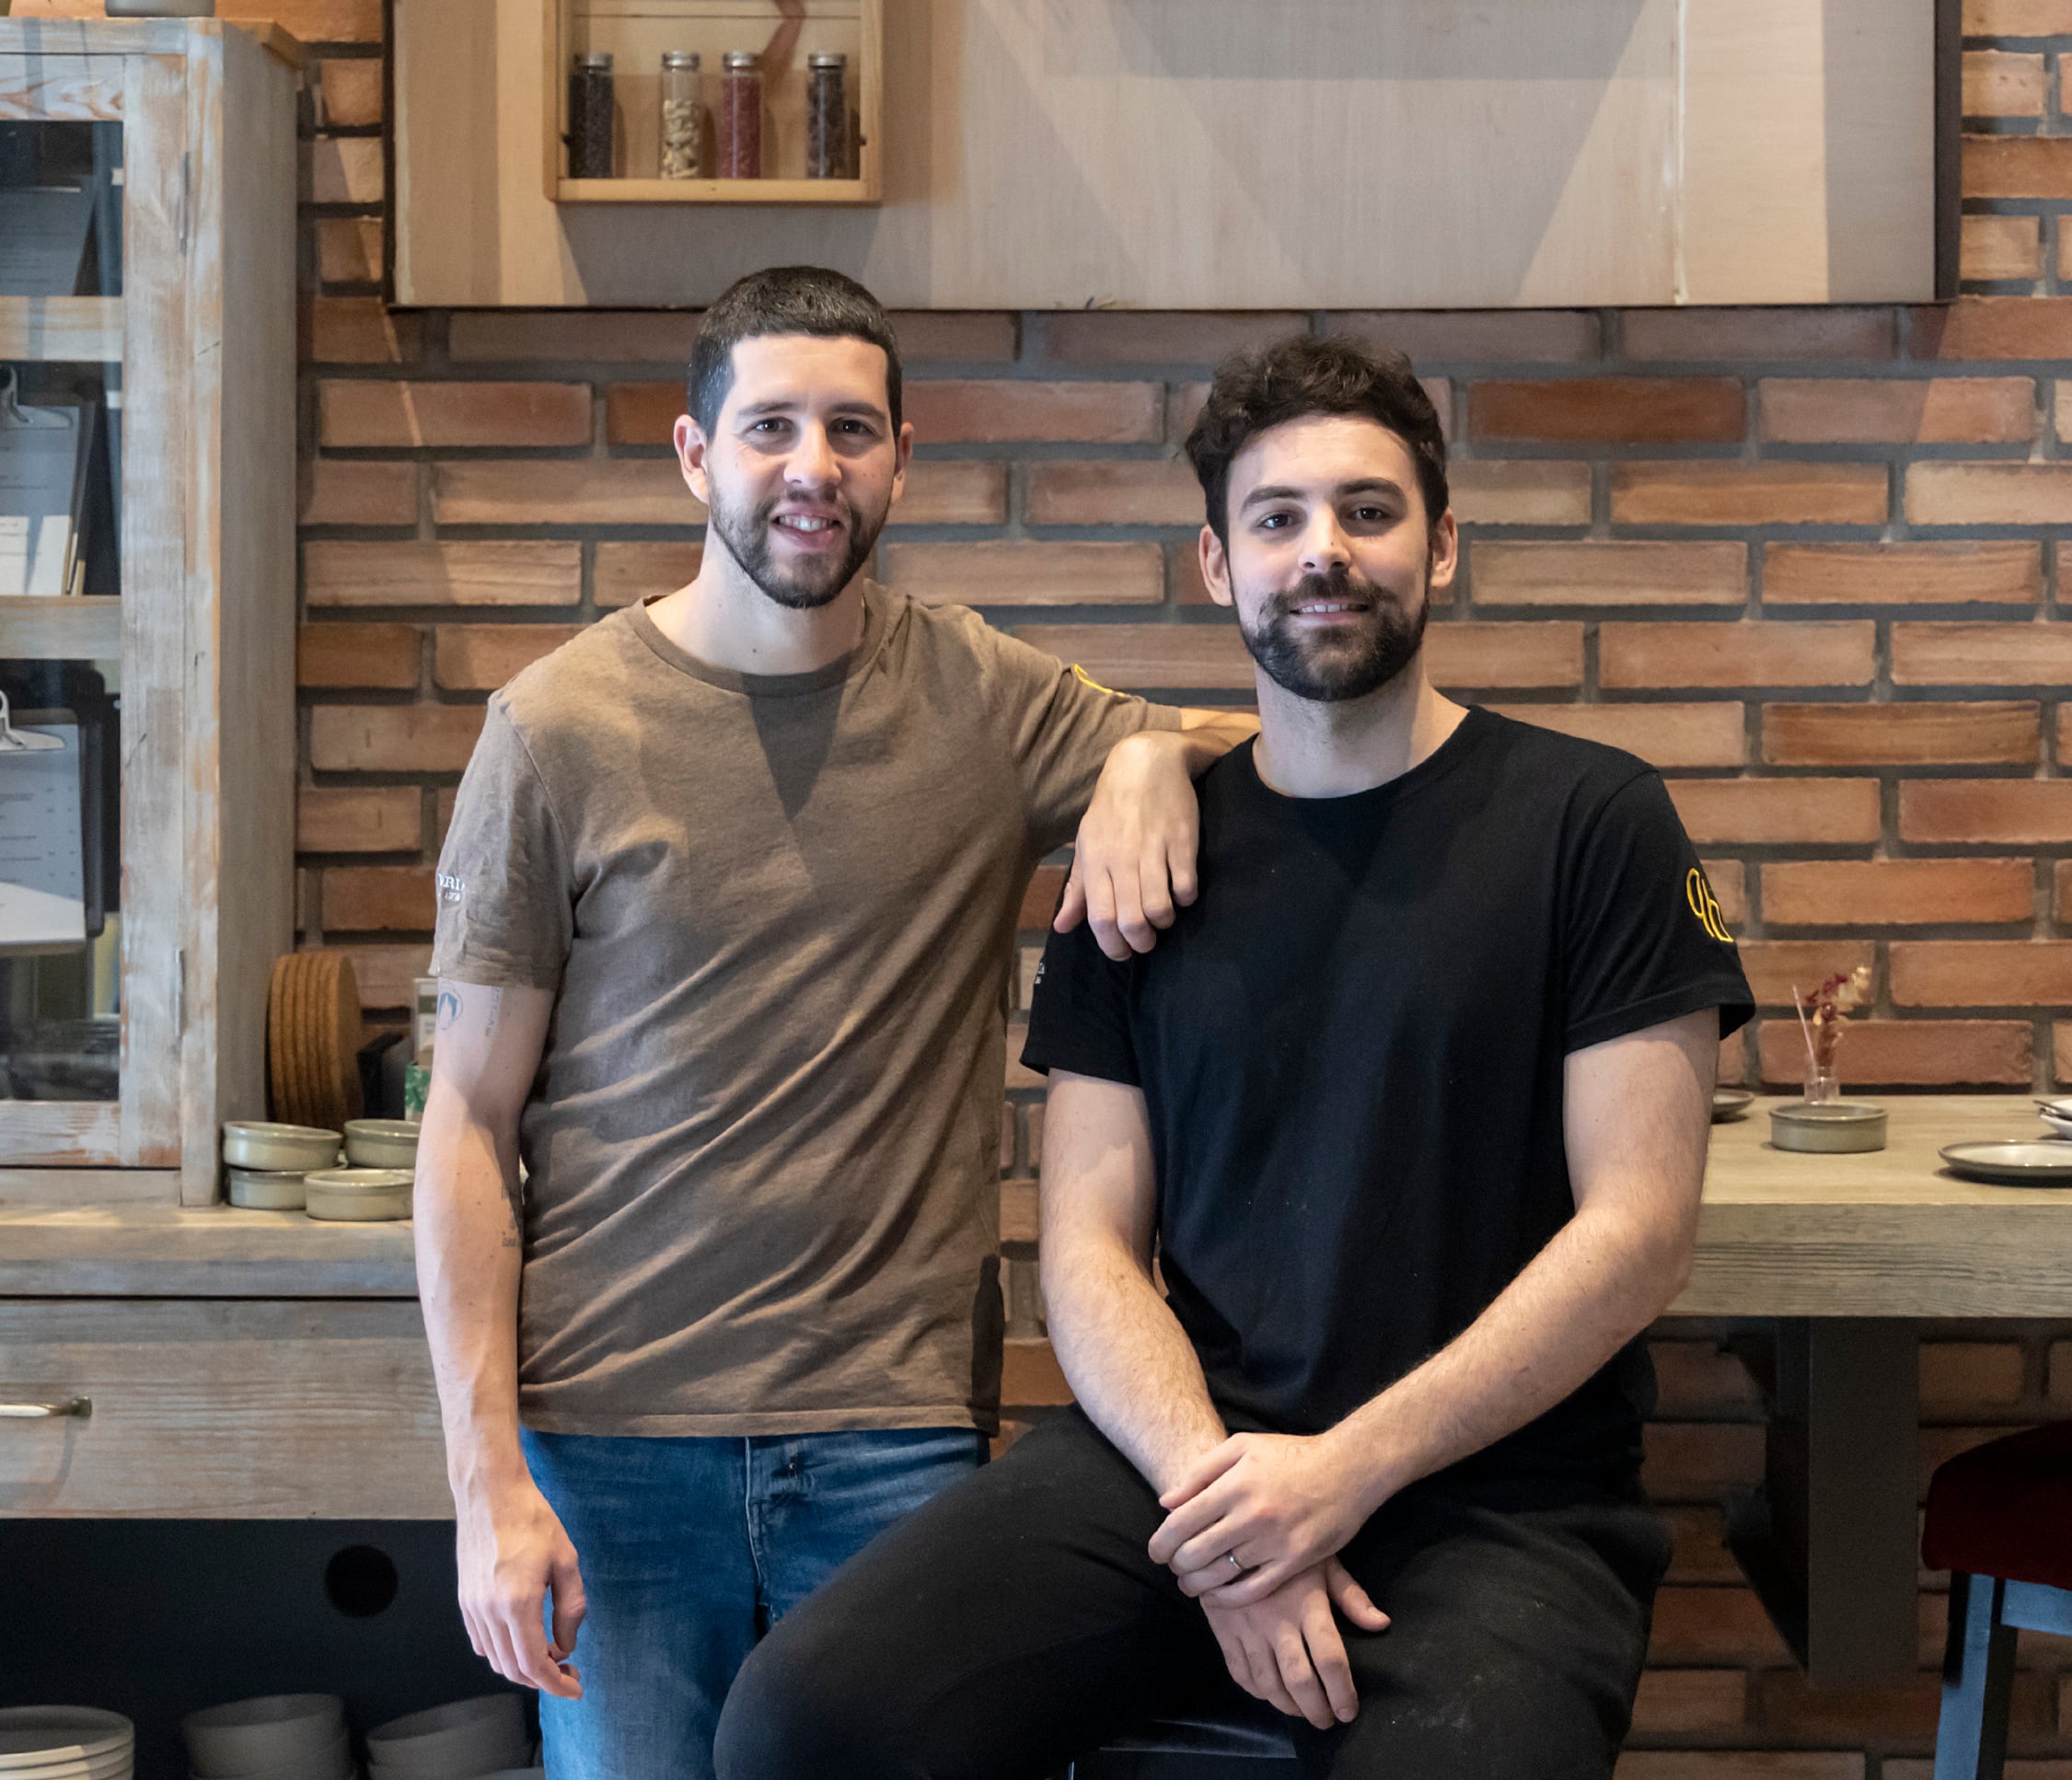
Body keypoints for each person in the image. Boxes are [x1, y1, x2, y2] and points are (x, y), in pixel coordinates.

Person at [716, 330, 1756, 1780]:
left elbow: (1639, 1231)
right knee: (803, 1720)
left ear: (1442, 545)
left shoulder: (1593, 823)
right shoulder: (1146, 855)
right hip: (1181, 1463)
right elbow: (1083, 1242)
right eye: (1277, 519)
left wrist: (1334, 1479)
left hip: (1498, 1500)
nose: (1323, 552)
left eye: (1369, 512)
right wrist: (1227, 1518)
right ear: (1217, 562)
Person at [411, 266, 1255, 1780]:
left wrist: (1147, 757)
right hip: (610, 1444)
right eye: (772, 426)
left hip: (895, 1433)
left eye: (852, 428)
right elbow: (467, 1123)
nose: (814, 465)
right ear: (694, 453)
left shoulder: (982, 699)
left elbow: (1279, 759)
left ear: (902, 460)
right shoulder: (555, 730)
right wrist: (487, 1482)